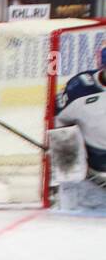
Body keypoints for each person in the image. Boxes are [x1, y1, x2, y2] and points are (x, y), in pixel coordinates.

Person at [54, 50, 106, 190]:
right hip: (95, 157)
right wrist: (69, 164)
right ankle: (70, 185)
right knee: (62, 134)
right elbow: (57, 119)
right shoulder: (79, 89)